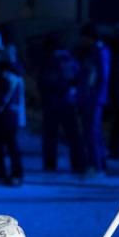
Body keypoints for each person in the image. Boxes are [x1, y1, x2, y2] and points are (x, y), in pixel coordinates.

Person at [39, 38, 84, 173]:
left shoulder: (49, 61)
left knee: (50, 136)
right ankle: (78, 164)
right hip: (69, 102)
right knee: (73, 136)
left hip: (52, 103)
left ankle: (50, 164)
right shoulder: (72, 61)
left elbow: (43, 81)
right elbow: (79, 79)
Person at [0, 44, 26, 185]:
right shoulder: (17, 73)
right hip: (13, 115)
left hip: (4, 115)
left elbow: (2, 96)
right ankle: (13, 173)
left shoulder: (6, 73)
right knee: (10, 144)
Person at [78, 24, 111, 173]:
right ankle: (98, 163)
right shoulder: (92, 51)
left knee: (92, 131)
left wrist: (96, 97)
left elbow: (103, 76)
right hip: (89, 97)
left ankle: (96, 165)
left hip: (94, 98)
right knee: (91, 131)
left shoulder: (100, 51)